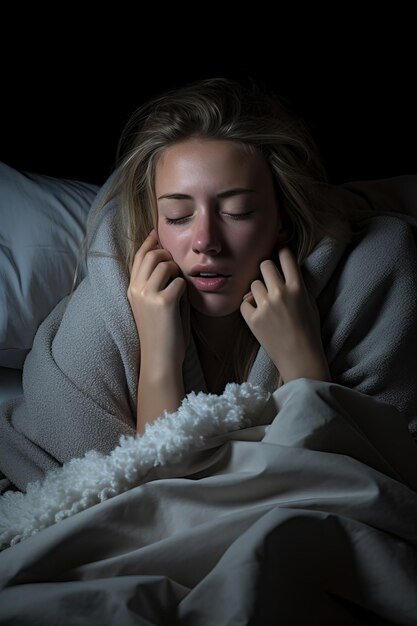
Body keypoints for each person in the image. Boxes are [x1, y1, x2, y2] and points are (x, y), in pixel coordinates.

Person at [86, 77, 359, 435]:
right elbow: (147, 488)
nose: (206, 242)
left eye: (238, 211)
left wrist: (302, 363)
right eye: (178, 217)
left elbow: (351, 479)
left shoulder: (363, 284)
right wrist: (158, 360)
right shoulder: (102, 314)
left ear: (283, 218)